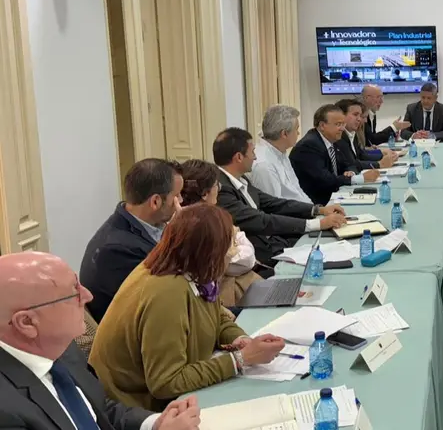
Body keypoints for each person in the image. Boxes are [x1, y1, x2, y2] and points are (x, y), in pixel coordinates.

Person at [0, 252, 201, 430]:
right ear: (26, 323)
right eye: (73, 293)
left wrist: (155, 424)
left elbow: (99, 410)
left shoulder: (61, 347)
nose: (88, 296)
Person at [88, 205, 287, 411]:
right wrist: (239, 359)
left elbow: (215, 315)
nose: (231, 254)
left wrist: (239, 340)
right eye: (229, 247)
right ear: (209, 253)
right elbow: (166, 383)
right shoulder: (166, 292)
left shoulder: (187, 268)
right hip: (139, 408)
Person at [214, 127, 347, 263]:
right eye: (252, 152)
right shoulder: (221, 190)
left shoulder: (241, 179)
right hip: (259, 256)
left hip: (275, 242)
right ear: (239, 157)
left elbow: (273, 203)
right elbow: (261, 220)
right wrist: (317, 224)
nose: (255, 157)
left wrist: (317, 210)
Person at [80, 158, 182, 323]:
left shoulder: (144, 225)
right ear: (155, 201)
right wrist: (187, 236)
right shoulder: (118, 250)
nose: (181, 202)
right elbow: (169, 298)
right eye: (177, 196)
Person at [179, 159, 262, 304]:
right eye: (217, 184)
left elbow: (242, 243)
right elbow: (246, 261)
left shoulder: (214, 216)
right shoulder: (203, 224)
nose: (220, 188)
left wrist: (232, 247)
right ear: (205, 193)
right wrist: (234, 247)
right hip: (218, 300)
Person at [290, 104, 380, 205]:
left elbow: (349, 164)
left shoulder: (335, 140)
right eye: (338, 124)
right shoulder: (309, 145)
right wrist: (360, 178)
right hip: (317, 203)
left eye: (343, 124)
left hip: (336, 196)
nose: (342, 129)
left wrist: (350, 172)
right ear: (322, 125)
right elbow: (325, 180)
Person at [250, 104, 312, 203]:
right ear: (284, 134)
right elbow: (274, 208)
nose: (298, 133)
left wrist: (318, 210)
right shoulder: (264, 165)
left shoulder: (280, 152)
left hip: (304, 211)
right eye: (296, 129)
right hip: (293, 217)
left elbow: (297, 191)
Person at [337, 98, 397, 170]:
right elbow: (352, 163)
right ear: (341, 116)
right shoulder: (338, 137)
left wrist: (383, 156)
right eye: (355, 115)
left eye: (360, 115)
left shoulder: (351, 133)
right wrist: (379, 164)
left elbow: (361, 155)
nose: (359, 119)